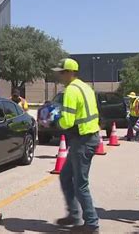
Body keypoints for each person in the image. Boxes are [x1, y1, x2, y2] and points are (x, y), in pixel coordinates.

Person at [52, 58, 100, 233]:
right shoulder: (85, 87)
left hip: (83, 140)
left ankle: (92, 224)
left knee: (80, 184)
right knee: (65, 177)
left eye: (62, 72)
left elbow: (68, 121)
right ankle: (73, 214)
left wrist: (54, 120)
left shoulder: (71, 91)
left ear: (70, 72)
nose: (60, 75)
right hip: (88, 137)